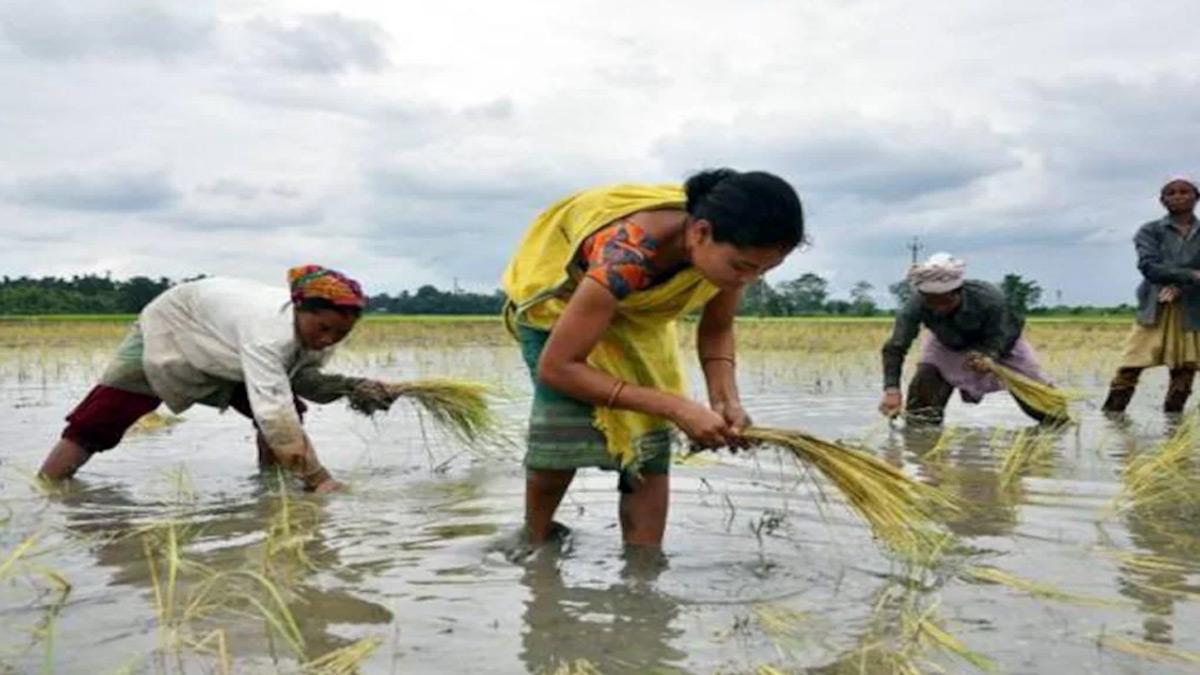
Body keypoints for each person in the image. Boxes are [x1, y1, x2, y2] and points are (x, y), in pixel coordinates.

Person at [501, 169, 805, 548]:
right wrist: (676, 407)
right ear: (700, 232)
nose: (750, 279)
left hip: (639, 320)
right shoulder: (626, 252)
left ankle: (644, 568)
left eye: (764, 270)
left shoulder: (728, 262)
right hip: (560, 315)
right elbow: (558, 368)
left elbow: (716, 330)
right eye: (743, 267)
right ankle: (535, 544)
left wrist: (726, 400)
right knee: (561, 437)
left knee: (649, 452)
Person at [38, 265, 393, 492]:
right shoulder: (268, 335)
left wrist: (351, 387)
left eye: (340, 333)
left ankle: (272, 490)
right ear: (298, 310)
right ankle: (46, 489)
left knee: (289, 414)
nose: (329, 339)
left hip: (230, 344)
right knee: (101, 419)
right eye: (323, 328)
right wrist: (320, 480)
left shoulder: (313, 335)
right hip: (176, 324)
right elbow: (274, 412)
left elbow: (298, 379)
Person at [878, 253, 1054, 424]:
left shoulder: (990, 299)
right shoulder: (915, 306)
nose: (938, 308)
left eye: (944, 301)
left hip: (1001, 345)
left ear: (958, 292)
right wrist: (892, 390)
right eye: (931, 302)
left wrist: (989, 355)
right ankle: (920, 432)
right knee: (923, 397)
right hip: (947, 344)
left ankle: (1054, 418)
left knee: (1048, 409)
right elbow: (896, 347)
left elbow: (1003, 334)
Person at [1102, 178, 1200, 414]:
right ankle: (1112, 418)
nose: (1178, 196)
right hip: (1155, 306)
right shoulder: (1150, 231)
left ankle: (1173, 425)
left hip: (1192, 307)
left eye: (1184, 192)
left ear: (1196, 198)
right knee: (1130, 365)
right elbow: (1149, 266)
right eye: (1171, 193)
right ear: (1162, 201)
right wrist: (1190, 276)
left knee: (1184, 369)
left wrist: (1180, 287)